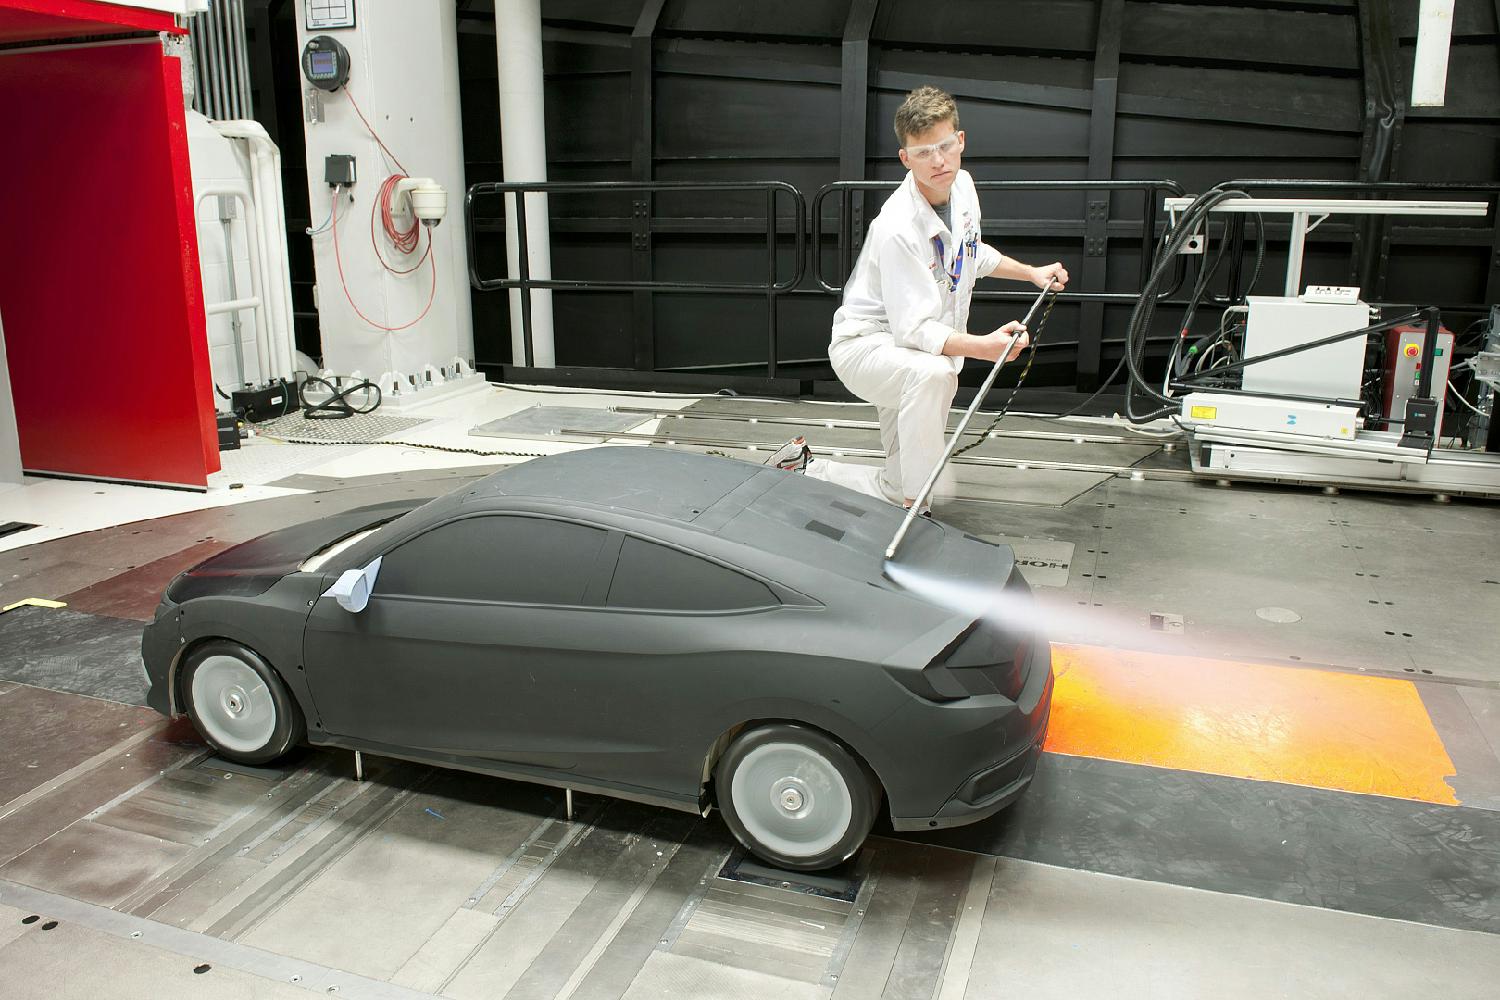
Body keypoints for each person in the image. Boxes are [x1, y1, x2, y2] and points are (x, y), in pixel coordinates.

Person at [769, 85, 1068, 511]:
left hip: (910, 350)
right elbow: (914, 330)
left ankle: (805, 470)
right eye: (924, 152)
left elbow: (970, 252)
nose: (939, 161)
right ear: (905, 159)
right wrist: (985, 347)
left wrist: (1031, 274)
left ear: (960, 141)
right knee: (933, 376)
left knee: (898, 477)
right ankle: (916, 511)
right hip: (868, 347)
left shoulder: (962, 187)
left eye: (945, 146)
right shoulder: (896, 227)